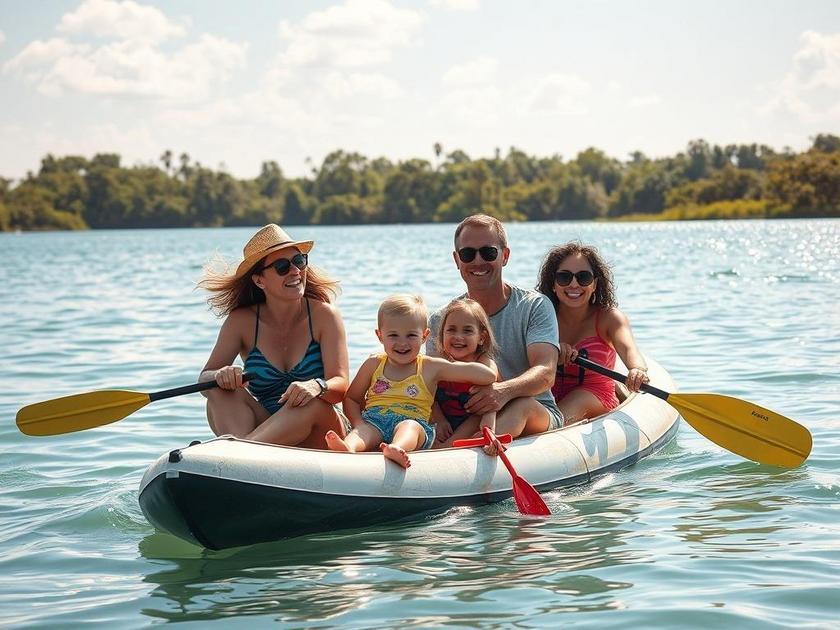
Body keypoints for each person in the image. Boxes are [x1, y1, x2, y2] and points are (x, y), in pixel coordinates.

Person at [197, 224, 350, 449]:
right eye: (282, 266)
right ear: (259, 280)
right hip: (267, 426)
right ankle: (243, 453)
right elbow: (204, 381)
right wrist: (220, 375)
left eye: (299, 261)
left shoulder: (325, 315)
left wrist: (317, 386)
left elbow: (341, 385)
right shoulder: (241, 321)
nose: (295, 271)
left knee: (309, 403)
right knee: (219, 392)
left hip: (322, 429)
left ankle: (239, 452)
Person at [429, 214, 563, 453]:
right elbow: (430, 382)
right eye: (468, 254)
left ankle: (468, 449)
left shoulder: (533, 306)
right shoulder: (441, 319)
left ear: (505, 256)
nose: (478, 261)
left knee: (520, 406)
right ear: (457, 260)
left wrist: (503, 392)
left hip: (532, 411)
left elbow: (546, 373)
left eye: (488, 252)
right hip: (463, 420)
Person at [326, 294, 496, 468]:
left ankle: (397, 448)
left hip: (415, 425)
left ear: (424, 336)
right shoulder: (373, 364)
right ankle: (349, 447)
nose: (402, 343)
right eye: (393, 335)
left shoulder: (430, 366)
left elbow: (485, 375)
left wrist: (485, 369)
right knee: (363, 430)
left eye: (411, 335)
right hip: (375, 421)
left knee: (409, 427)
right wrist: (358, 422)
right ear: (380, 335)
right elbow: (352, 398)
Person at [536, 242, 650, 424]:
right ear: (553, 284)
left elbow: (630, 349)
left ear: (595, 284)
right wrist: (553, 352)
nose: (574, 284)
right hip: (548, 395)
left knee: (577, 400)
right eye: (564, 277)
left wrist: (637, 370)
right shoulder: (539, 316)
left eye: (584, 277)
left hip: (594, 395)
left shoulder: (609, 318)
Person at [431, 298, 501, 448]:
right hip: (444, 421)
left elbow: (492, 394)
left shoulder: (484, 363)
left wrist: (489, 425)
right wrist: (439, 420)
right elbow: (430, 397)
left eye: (467, 331)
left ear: (481, 338)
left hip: (472, 420)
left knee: (477, 413)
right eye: (451, 330)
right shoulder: (438, 361)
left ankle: (449, 446)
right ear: (442, 334)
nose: (458, 337)